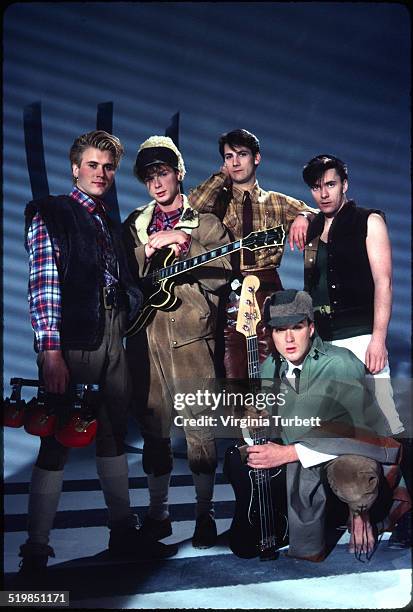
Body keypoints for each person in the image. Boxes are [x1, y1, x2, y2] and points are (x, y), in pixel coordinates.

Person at [21, 130, 176, 577]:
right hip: (74, 340)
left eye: (108, 167)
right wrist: (50, 350)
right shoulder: (52, 213)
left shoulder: (107, 221)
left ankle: (121, 529)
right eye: (93, 165)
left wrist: (152, 246)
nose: (102, 174)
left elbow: (119, 273)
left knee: (110, 432)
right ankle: (35, 547)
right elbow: (44, 284)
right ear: (75, 168)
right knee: (59, 437)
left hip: (113, 335)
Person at [122, 136, 232, 548]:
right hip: (145, 341)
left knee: (199, 431)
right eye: (149, 176)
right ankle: (158, 513)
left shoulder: (204, 222)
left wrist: (189, 244)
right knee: (153, 431)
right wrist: (149, 245)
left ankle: (205, 515)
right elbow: (121, 275)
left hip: (191, 341)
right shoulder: (135, 224)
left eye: (163, 173)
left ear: (179, 174)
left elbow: (223, 274)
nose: (157, 183)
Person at [246, 289, 410, 561]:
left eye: (296, 327)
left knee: (354, 480)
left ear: (310, 328)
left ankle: (361, 510)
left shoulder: (340, 364)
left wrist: (360, 511)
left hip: (350, 452)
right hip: (299, 459)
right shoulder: (267, 369)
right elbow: (265, 429)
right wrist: (252, 426)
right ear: (270, 334)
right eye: (279, 330)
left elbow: (360, 434)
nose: (288, 338)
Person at [301, 154, 411, 547]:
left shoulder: (369, 220)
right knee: (341, 430)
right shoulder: (311, 224)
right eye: (316, 187)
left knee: (382, 425)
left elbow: (384, 282)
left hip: (363, 336)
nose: (323, 193)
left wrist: (378, 338)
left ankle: (400, 503)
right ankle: (357, 509)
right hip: (325, 343)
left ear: (344, 183)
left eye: (330, 184)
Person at [188, 128, 317, 378]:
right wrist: (222, 175)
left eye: (242, 154)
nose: (235, 162)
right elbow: (191, 208)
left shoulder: (276, 201)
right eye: (228, 156)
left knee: (272, 370)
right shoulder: (218, 201)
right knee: (231, 369)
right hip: (229, 290)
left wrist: (303, 215)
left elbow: (319, 216)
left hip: (267, 290)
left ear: (256, 158)